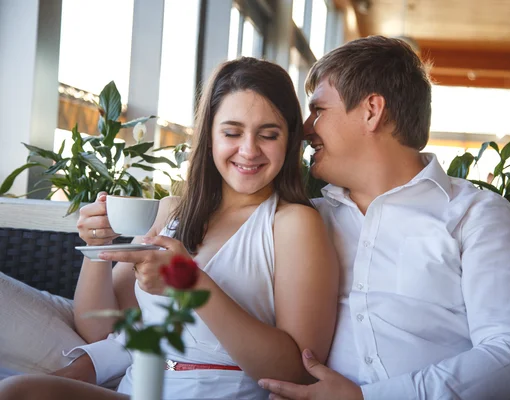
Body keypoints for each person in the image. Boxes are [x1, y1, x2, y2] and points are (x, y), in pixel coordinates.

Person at [0, 57, 339, 399]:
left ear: (289, 139)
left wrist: (192, 284)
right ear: (209, 136)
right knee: (17, 391)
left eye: (268, 134)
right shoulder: (173, 211)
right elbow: (100, 328)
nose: (249, 150)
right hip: (139, 387)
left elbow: (300, 372)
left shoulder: (294, 223)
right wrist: (98, 248)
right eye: (232, 132)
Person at [258, 35, 510, 399]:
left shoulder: (477, 216)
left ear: (372, 110)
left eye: (319, 110)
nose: (305, 129)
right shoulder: (305, 222)